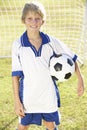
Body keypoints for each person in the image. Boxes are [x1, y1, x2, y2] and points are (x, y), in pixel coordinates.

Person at [12, 1, 84, 130]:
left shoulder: (50, 41)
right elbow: (15, 76)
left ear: (42, 21)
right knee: (23, 126)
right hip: (28, 97)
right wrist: (17, 101)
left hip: (47, 95)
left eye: (37, 19)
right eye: (30, 18)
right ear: (23, 20)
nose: (34, 22)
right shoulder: (18, 45)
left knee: (50, 125)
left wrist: (80, 79)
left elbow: (71, 57)